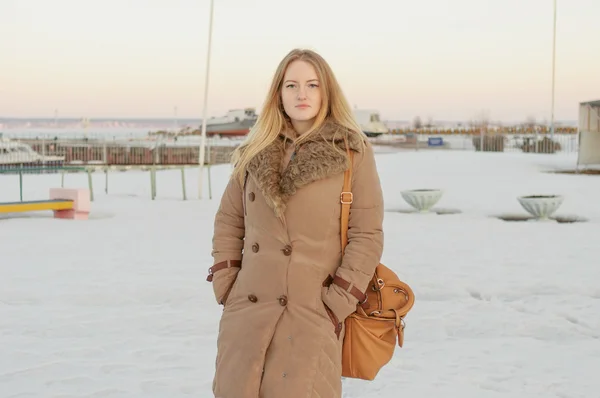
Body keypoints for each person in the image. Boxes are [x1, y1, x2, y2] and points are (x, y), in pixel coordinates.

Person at [207, 48, 384, 398]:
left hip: (312, 314)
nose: (302, 94)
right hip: (248, 313)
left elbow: (367, 235)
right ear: (279, 94)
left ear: (326, 92)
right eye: (292, 85)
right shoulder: (255, 150)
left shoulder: (352, 152)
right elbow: (229, 221)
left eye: (312, 84)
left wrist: (336, 305)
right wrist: (228, 286)